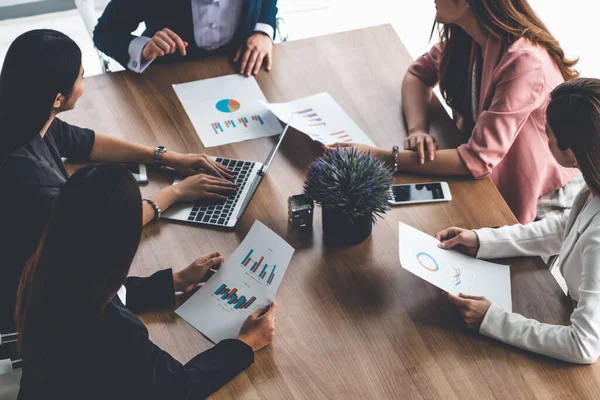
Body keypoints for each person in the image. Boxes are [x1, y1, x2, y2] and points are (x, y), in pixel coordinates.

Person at [0, 29, 237, 332]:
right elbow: (104, 228)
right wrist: (175, 192)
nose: (84, 84)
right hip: (29, 311)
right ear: (58, 98)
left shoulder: (20, 114)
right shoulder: (31, 180)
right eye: (81, 78)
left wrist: (166, 156)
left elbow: (84, 142)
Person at [15, 163, 278, 399]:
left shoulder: (44, 272)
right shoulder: (116, 332)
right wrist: (245, 344)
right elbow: (181, 388)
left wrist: (174, 281)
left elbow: (107, 293)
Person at [329, 0, 583, 224]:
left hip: (543, 202)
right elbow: (417, 75)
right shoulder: (473, 39)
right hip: (488, 181)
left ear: (467, 3)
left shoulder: (523, 62)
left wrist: (383, 157)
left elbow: (477, 159)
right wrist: (418, 130)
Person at [435, 78, 600, 364]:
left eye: (546, 133)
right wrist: (482, 240)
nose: (543, 138)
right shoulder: (592, 185)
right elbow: (566, 228)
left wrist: (493, 320)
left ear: (571, 153)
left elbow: (583, 346)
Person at [93, 0, 278, 76]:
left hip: (240, 67)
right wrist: (143, 49)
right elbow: (104, 33)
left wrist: (264, 29)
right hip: (167, 77)